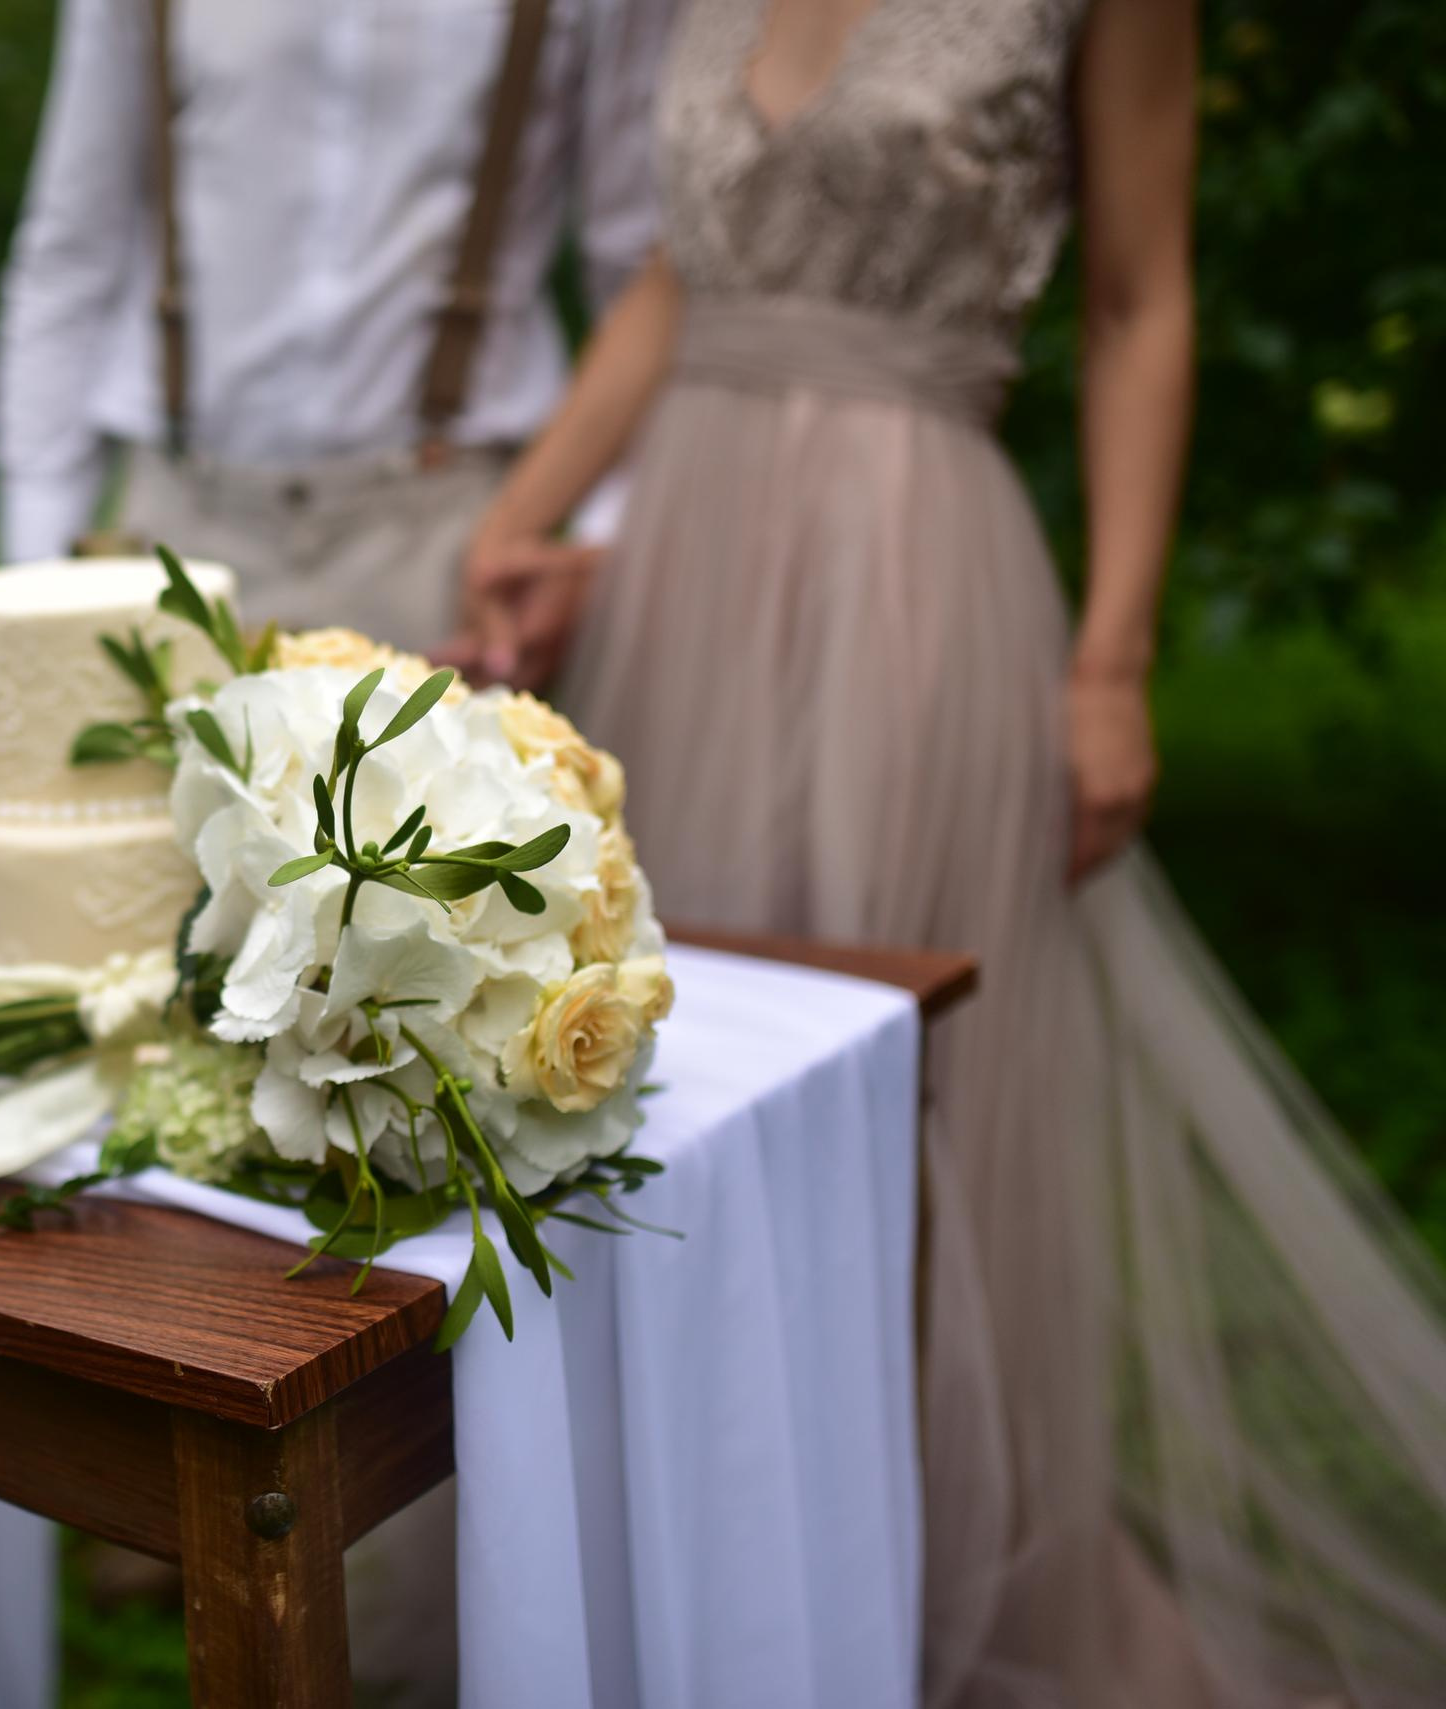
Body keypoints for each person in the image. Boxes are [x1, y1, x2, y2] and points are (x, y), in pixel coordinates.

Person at [452, 0, 1446, 1702]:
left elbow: (1141, 301)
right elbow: (683, 282)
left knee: (906, 1115)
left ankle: (902, 1596)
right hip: (688, 581)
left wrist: (1116, 659)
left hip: (913, 578)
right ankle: (705, 1574)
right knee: (660, 1097)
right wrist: (524, 514)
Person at [0, 0, 674, 650]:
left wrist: (598, 545)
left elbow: (644, 266)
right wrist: (38, 576)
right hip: (177, 524)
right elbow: (71, 258)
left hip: (448, 544)